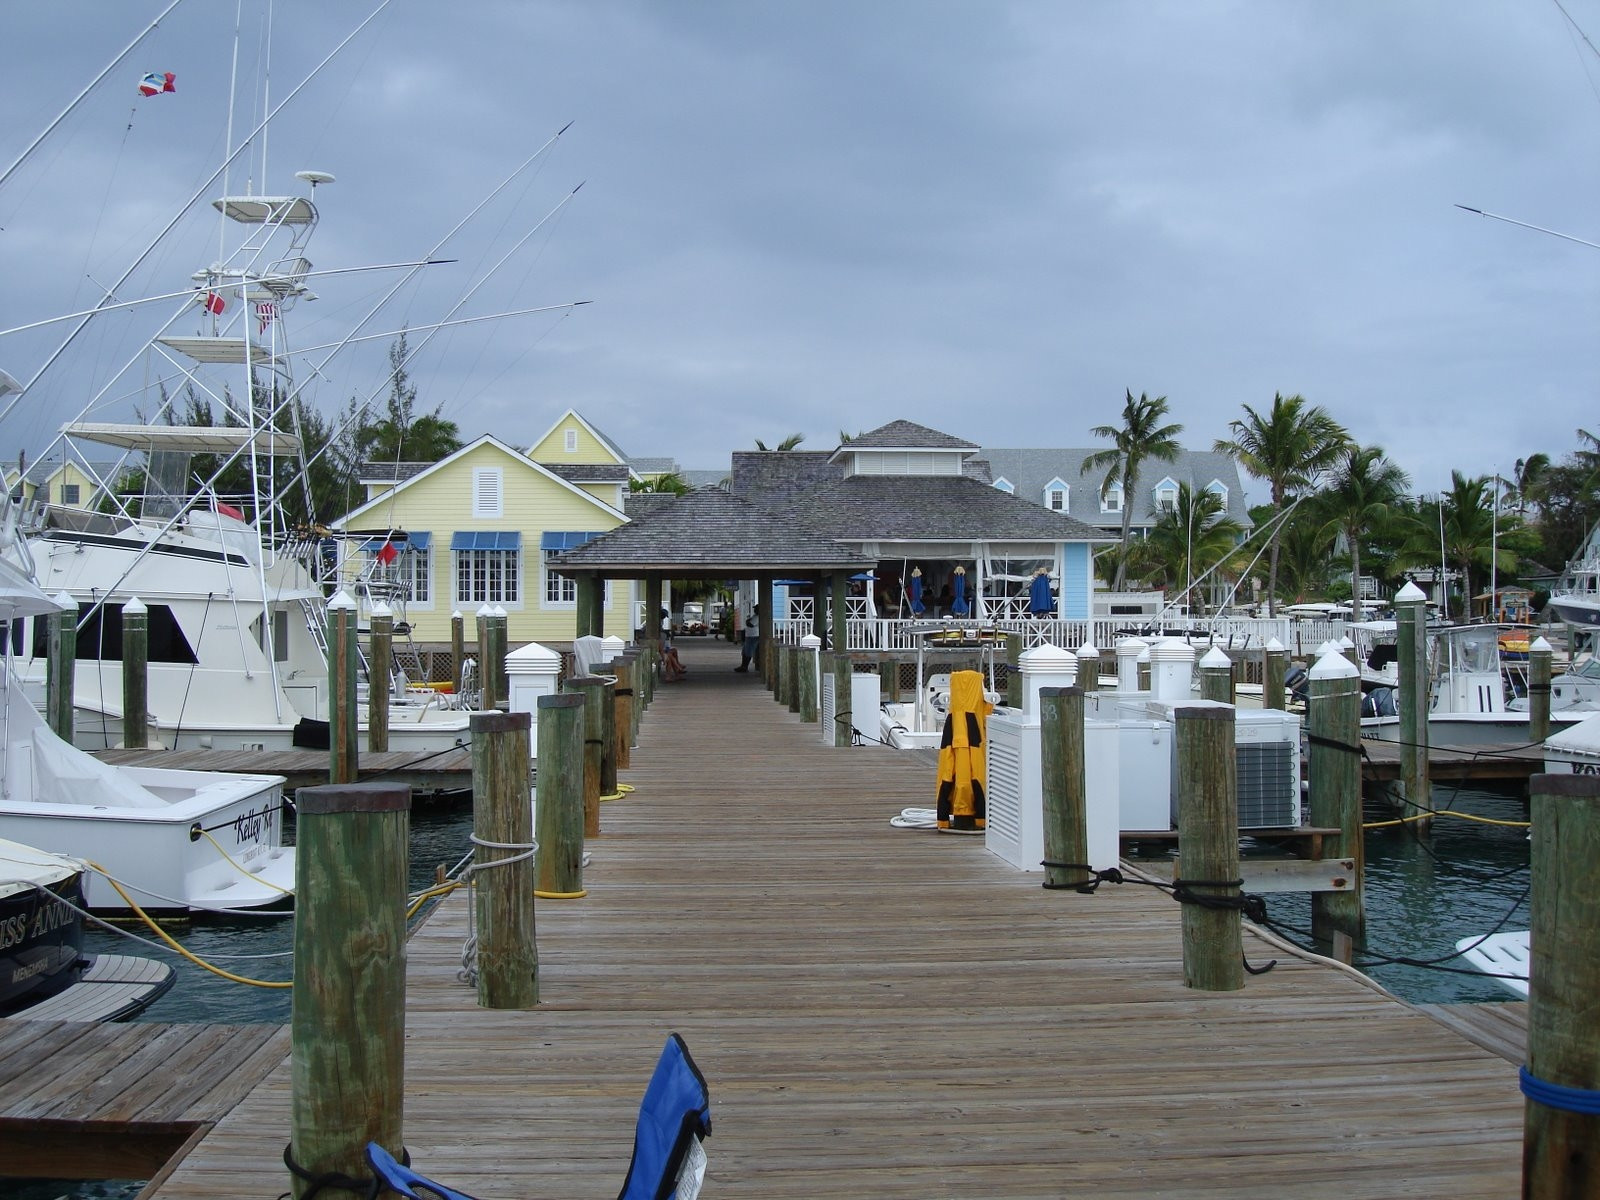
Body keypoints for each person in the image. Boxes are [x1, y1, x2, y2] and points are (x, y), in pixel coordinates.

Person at [735, 604, 759, 672]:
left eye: (756, 609)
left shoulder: (757, 617)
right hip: (749, 636)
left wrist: (747, 621)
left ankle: (745, 667)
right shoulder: (755, 616)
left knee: (748, 652)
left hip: (753, 636)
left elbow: (750, 624)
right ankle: (743, 666)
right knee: (744, 652)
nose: (754, 610)